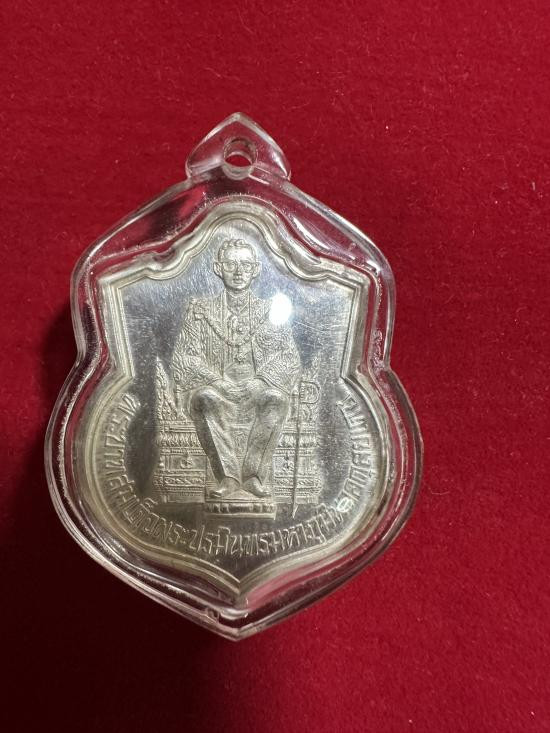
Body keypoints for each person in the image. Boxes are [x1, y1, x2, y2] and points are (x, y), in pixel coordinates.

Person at [172, 238, 300, 499]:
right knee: (204, 398)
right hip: (218, 393)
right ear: (218, 268)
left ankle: (253, 476)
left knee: (276, 399)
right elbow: (184, 359)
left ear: (256, 269)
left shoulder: (270, 311)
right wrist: (216, 382)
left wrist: (260, 382)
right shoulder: (200, 311)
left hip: (257, 394)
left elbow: (290, 358)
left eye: (246, 265)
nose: (239, 271)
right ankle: (228, 477)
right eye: (231, 264)